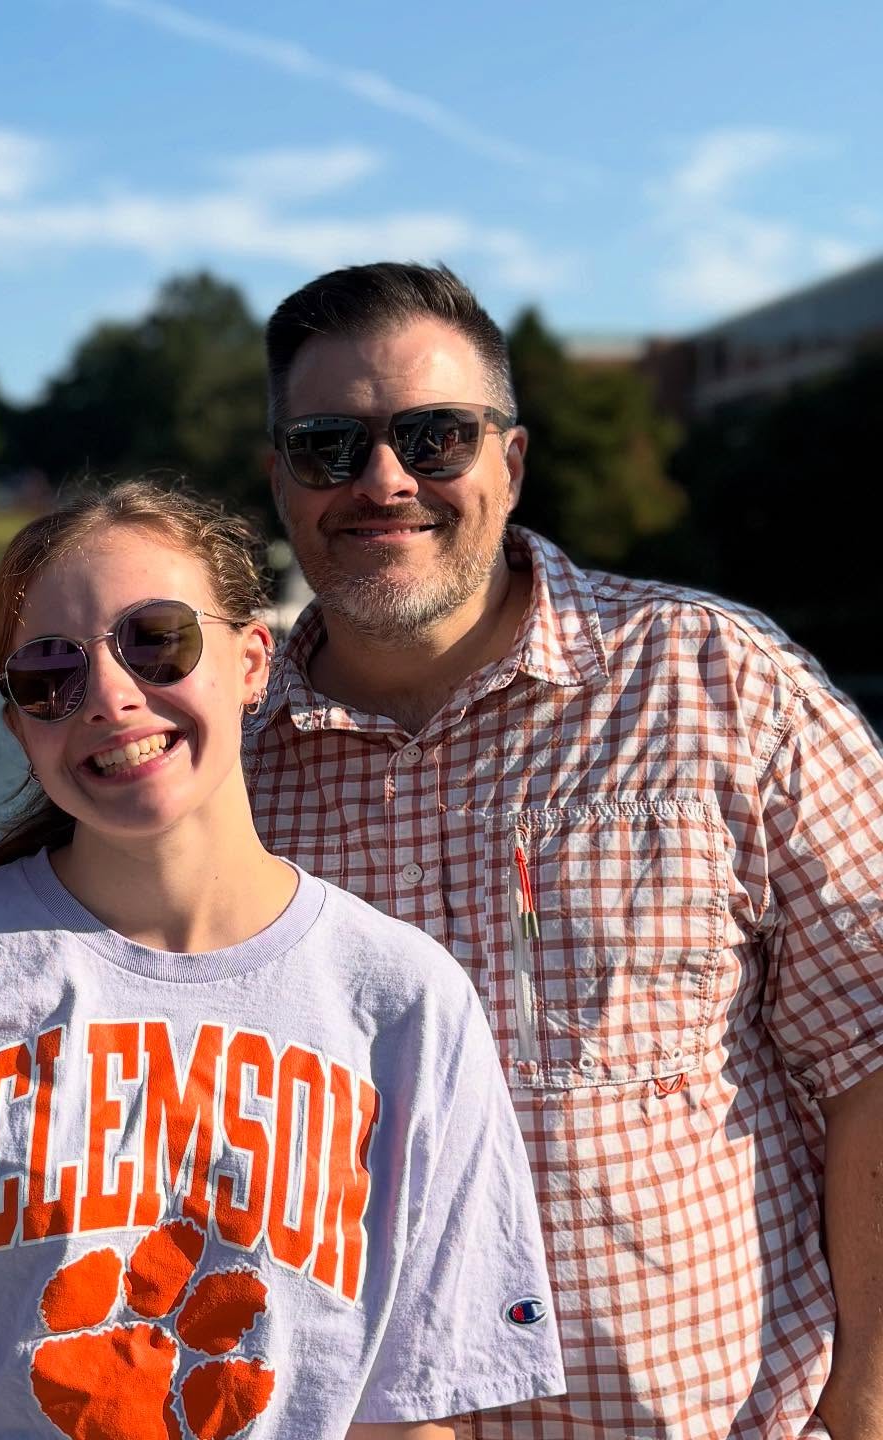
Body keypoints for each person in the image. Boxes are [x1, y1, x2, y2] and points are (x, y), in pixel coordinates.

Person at [0, 480, 567, 1438]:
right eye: (49, 675)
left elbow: (415, 1407)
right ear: (17, 723)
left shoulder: (405, 1001)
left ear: (255, 659)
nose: (111, 698)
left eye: (157, 640)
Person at [246, 261, 883, 1439]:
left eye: (436, 438)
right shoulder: (222, 768)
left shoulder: (717, 686)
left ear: (513, 463)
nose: (385, 482)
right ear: (280, 478)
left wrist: (872, 1394)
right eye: (331, 446)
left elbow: (874, 1051)